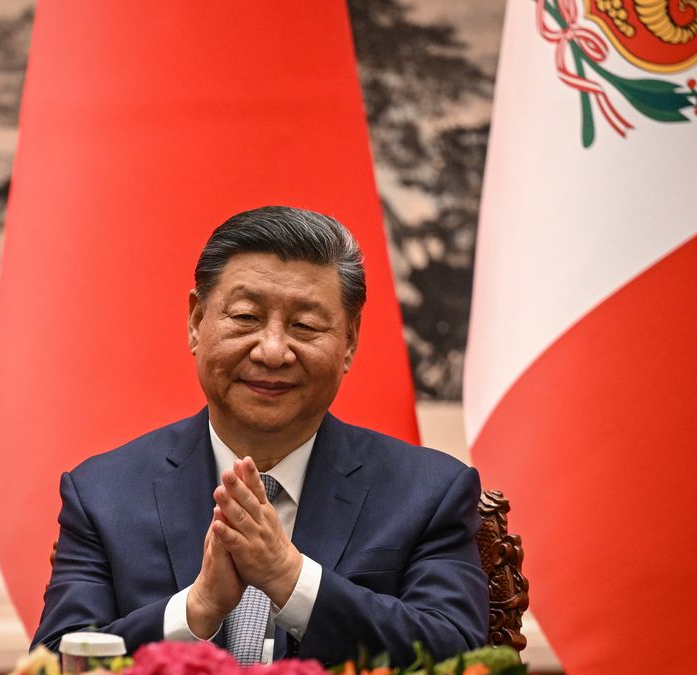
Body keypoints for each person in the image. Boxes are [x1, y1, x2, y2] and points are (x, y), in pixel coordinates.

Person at [33, 206, 488, 666]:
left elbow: (463, 655)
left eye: (305, 326)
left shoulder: (429, 493)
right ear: (196, 322)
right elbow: (54, 662)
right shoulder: (102, 493)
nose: (272, 351)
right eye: (247, 317)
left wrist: (292, 579)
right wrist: (194, 612)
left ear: (349, 341)